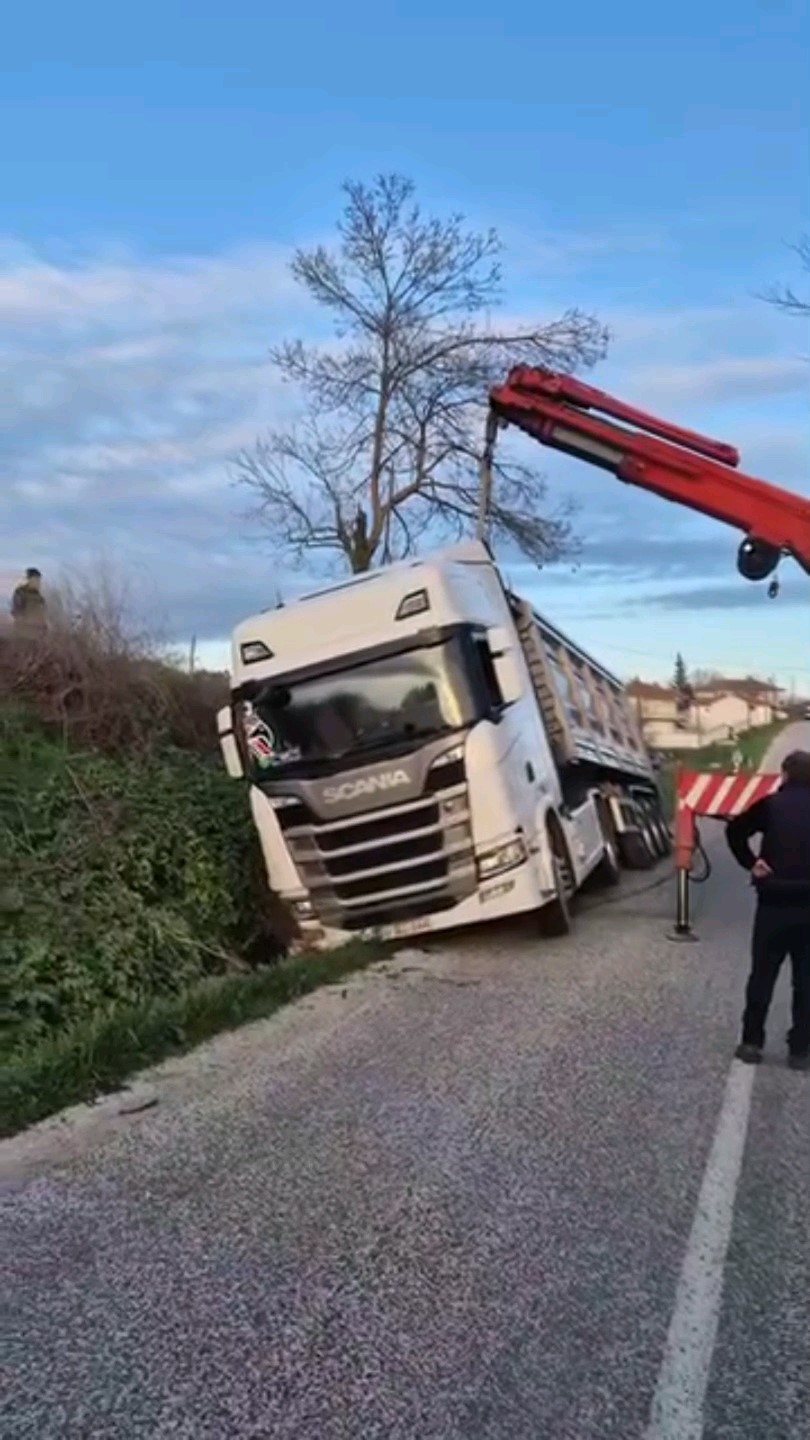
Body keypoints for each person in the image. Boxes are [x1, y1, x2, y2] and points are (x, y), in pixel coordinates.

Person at [725, 749, 810, 1071]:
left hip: (774, 903)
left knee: (762, 974)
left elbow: (734, 831)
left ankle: (751, 1042)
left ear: (785, 775)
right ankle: (800, 1050)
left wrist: (752, 863)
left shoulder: (771, 805)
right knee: (806, 981)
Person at [10, 567, 47, 633]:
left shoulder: (39, 597)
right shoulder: (21, 592)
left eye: (39, 580)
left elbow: (42, 613)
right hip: (23, 631)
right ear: (29, 579)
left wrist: (44, 625)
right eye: (36, 579)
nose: (38, 582)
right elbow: (16, 611)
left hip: (37, 631)